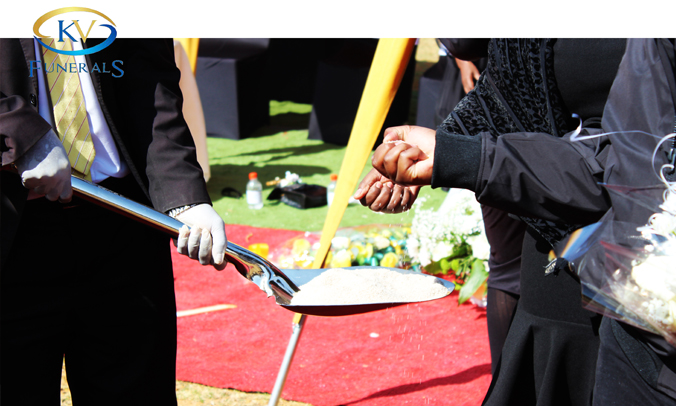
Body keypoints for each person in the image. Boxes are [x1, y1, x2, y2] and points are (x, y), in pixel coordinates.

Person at [355, 38, 629, 405]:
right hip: (549, 234)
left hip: (642, 246)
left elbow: (619, 163)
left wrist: (462, 157)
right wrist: (444, 148)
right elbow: (499, 78)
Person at [1, 38, 228, 405]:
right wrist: (21, 133)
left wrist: (183, 194)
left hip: (122, 221)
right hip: (11, 228)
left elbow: (151, 81)